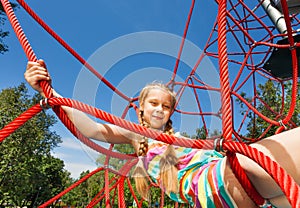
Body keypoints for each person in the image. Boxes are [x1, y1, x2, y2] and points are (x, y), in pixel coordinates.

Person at [25, 60, 300, 208]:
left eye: (166, 106)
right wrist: (50, 92)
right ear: (140, 108)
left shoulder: (178, 141)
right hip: (213, 185)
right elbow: (94, 129)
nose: (160, 110)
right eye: (154, 104)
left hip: (226, 188)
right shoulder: (137, 135)